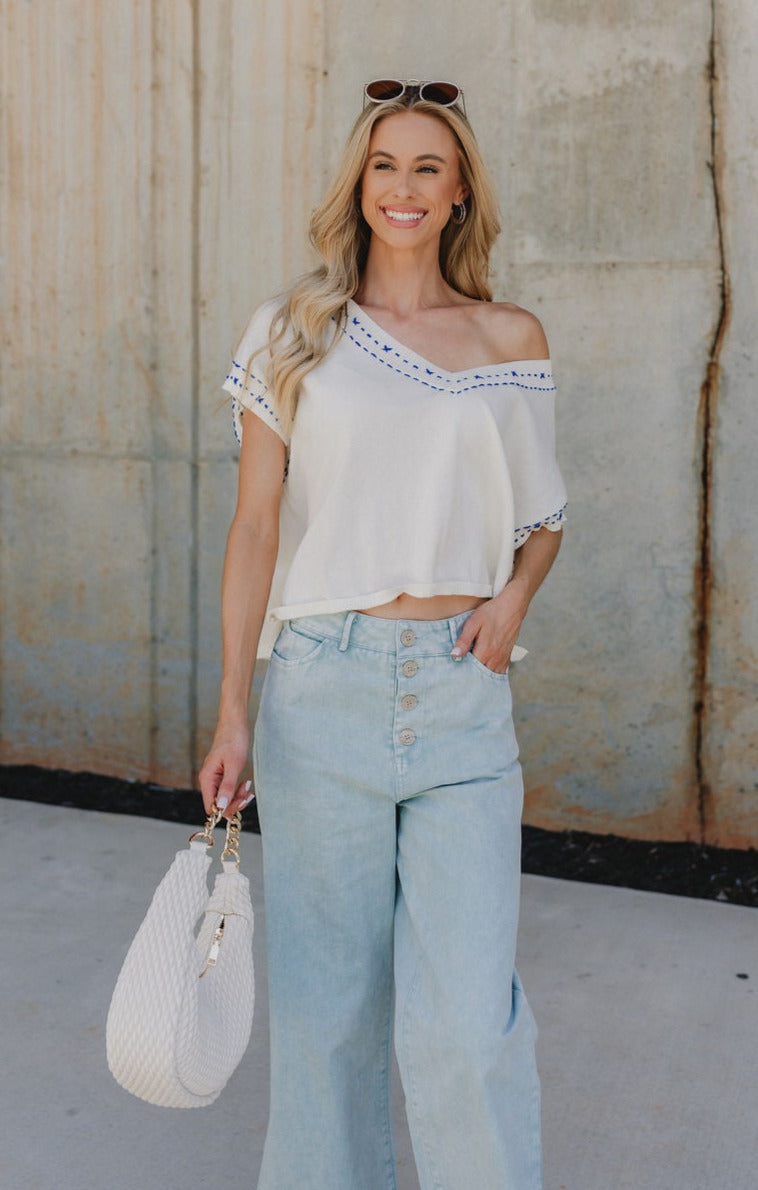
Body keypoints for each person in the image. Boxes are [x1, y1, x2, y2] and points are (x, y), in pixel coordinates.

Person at [200, 78, 566, 1190]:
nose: (400, 188)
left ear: (457, 193)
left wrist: (508, 602)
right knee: (328, 1016)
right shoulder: (294, 330)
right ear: (357, 186)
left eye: (425, 168)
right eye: (382, 166)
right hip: (323, 688)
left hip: (461, 693)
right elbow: (256, 526)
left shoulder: (508, 334)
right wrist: (232, 710)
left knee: (464, 1019)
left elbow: (539, 518)